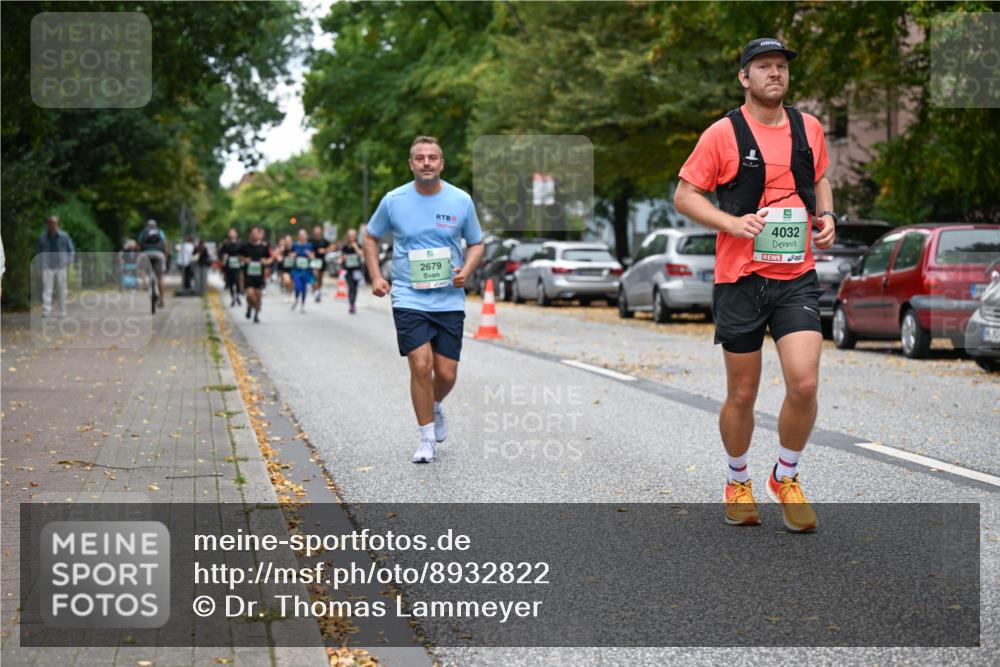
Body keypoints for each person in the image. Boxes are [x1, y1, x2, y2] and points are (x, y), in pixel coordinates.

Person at [674, 38, 836, 532]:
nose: (775, 74)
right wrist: (731, 223)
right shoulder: (722, 134)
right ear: (744, 77)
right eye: (764, 66)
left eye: (781, 66)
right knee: (742, 394)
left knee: (804, 383)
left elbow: (821, 178)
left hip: (796, 277)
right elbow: (685, 195)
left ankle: (785, 476)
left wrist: (827, 216)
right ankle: (737, 479)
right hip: (741, 279)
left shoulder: (808, 128)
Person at [363, 136, 484, 463]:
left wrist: (466, 271)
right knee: (421, 364)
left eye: (432, 157)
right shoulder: (394, 200)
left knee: (446, 374)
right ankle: (426, 439)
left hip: (449, 299)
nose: (426, 162)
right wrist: (376, 276)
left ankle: (433, 404)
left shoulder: (461, 200)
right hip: (408, 296)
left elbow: (476, 242)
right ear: (411, 164)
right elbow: (371, 237)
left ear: (441, 163)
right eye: (420, 158)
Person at [36, 215, 76, 317]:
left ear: (57, 224)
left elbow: (71, 250)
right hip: (47, 266)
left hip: (61, 266)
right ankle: (46, 310)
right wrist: (39, 267)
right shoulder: (42, 238)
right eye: (51, 223)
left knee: (62, 289)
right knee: (47, 289)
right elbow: (39, 253)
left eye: (54, 223)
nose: (53, 225)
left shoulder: (64, 236)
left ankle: (63, 310)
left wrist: (68, 262)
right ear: (48, 224)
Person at [239, 226, 272, 323]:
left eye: (256, 233)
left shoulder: (264, 247)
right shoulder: (245, 247)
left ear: (259, 234)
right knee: (250, 295)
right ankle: (250, 306)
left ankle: (256, 315)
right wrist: (245, 259)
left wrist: (265, 262)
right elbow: (239, 256)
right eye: (252, 233)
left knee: (258, 296)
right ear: (250, 235)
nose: (254, 235)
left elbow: (270, 258)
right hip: (249, 275)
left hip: (260, 275)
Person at [138, 219, 169, 308]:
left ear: (147, 225)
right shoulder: (160, 232)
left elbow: (139, 245)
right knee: (160, 277)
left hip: (146, 253)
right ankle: (162, 300)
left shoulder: (143, 232)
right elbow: (165, 244)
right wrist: (166, 256)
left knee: (141, 267)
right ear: (156, 225)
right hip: (158, 254)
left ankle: (143, 281)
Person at [290, 229, 315, 312]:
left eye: (304, 235)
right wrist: (294, 255)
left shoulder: (310, 245)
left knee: (304, 288)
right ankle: (296, 299)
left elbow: (313, 257)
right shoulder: (294, 245)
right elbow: (291, 256)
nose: (302, 237)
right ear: (298, 237)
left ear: (306, 236)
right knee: (298, 286)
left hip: (306, 270)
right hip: (296, 270)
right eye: (301, 236)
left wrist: (309, 254)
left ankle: (303, 305)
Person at [340, 228, 364, 314]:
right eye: (351, 235)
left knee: (355, 288)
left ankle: (353, 303)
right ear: (348, 236)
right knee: (351, 287)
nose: (352, 237)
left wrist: (355, 246)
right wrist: (343, 258)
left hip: (356, 270)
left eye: (354, 235)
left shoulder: (358, 245)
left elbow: (361, 254)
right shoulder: (345, 246)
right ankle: (351, 304)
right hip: (348, 270)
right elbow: (341, 258)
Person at [219, 228, 244, 307]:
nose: (232, 234)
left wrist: (241, 257)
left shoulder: (240, 243)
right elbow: (220, 253)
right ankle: (233, 297)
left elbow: (245, 252)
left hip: (238, 265)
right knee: (230, 282)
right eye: (230, 233)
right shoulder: (226, 244)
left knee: (237, 280)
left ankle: (238, 295)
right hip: (229, 266)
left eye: (233, 233)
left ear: (236, 234)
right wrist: (224, 257)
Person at [310, 225, 330, 302]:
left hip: (321, 261)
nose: (317, 232)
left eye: (318, 231)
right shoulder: (310, 240)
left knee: (320, 278)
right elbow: (307, 248)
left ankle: (318, 291)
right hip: (313, 261)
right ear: (313, 232)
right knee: (315, 276)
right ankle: (316, 291)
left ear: (321, 232)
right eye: (316, 231)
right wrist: (310, 254)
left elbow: (332, 247)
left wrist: (324, 250)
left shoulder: (324, 241)